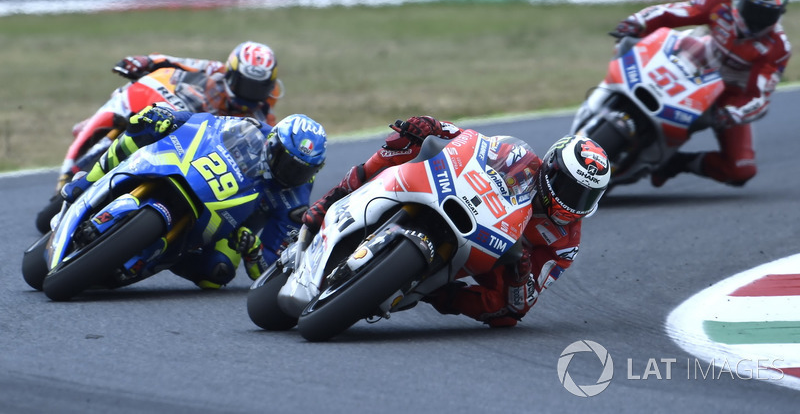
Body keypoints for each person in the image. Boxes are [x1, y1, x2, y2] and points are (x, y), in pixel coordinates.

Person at [301, 116, 610, 328]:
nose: (574, 203)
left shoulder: (566, 242)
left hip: (493, 255)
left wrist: (521, 274)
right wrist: (432, 126)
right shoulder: (521, 159)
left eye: (586, 196)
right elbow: (472, 142)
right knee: (406, 142)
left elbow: (526, 299)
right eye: (571, 189)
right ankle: (332, 199)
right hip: (465, 203)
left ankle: (434, 291)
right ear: (552, 169)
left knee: (507, 316)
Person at [61, 105, 327, 289]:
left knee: (216, 274)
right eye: (286, 162)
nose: (289, 174)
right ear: (273, 143)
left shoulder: (295, 200)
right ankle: (90, 179)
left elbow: (271, 267)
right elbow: (207, 124)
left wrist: (253, 250)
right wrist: (172, 118)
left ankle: (164, 256)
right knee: (144, 124)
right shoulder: (252, 130)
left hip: (232, 224)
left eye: (300, 170)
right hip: (201, 178)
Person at [612, 0, 791, 187]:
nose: (757, 19)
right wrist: (638, 22)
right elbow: (672, 12)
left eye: (766, 13)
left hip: (724, 98)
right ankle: (610, 97)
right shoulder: (719, 3)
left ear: (779, 13)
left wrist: (733, 113)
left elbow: (759, 97)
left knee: (741, 169)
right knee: (631, 51)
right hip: (688, 62)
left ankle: (676, 163)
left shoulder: (777, 47)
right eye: (752, 9)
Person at [112, 41, 284, 126]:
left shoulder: (264, 114)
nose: (249, 94)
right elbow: (177, 62)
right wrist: (146, 61)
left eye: (257, 89)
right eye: (245, 85)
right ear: (230, 74)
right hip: (185, 115)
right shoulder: (216, 70)